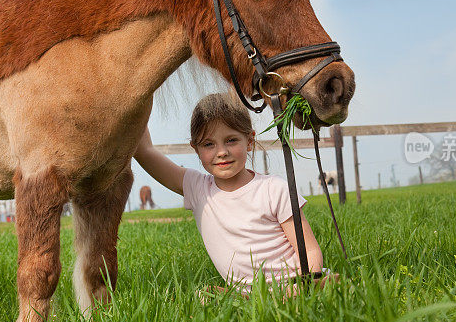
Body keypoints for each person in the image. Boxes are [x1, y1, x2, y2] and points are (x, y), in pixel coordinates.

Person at [133, 93, 332, 297]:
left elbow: (309, 250)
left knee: (333, 286)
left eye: (231, 140)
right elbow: (145, 152)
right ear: (196, 149)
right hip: (247, 294)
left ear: (250, 141)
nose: (222, 152)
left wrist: (305, 284)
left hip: (294, 282)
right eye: (209, 144)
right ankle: (254, 298)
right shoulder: (197, 188)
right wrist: (135, 98)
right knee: (206, 296)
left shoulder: (274, 189)